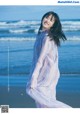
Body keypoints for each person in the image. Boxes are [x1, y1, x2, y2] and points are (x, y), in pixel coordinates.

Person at [26, 11, 72, 108]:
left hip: (47, 73)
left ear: (53, 25)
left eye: (51, 20)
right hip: (45, 71)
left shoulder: (48, 38)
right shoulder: (40, 35)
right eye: (47, 17)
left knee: (45, 101)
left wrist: (34, 78)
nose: (47, 20)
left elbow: (40, 59)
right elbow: (36, 58)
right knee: (44, 100)